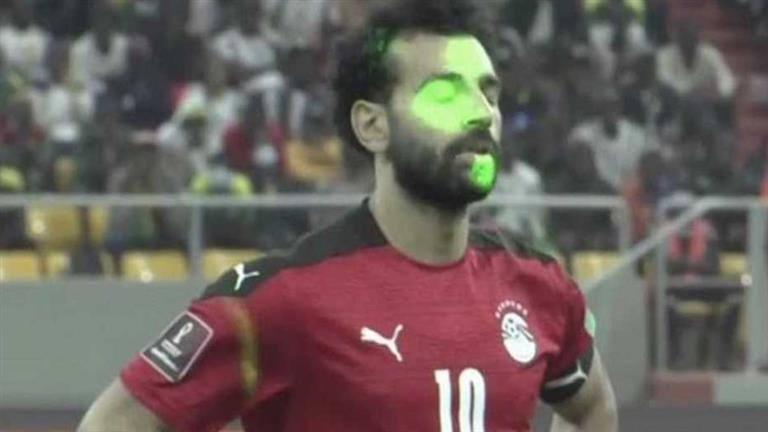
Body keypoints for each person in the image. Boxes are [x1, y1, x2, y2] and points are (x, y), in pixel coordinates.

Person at [78, 1, 617, 431]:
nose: (481, 112)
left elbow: (591, 409)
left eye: (488, 92)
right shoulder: (283, 297)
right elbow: (114, 423)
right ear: (372, 126)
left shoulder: (539, 286)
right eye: (445, 93)